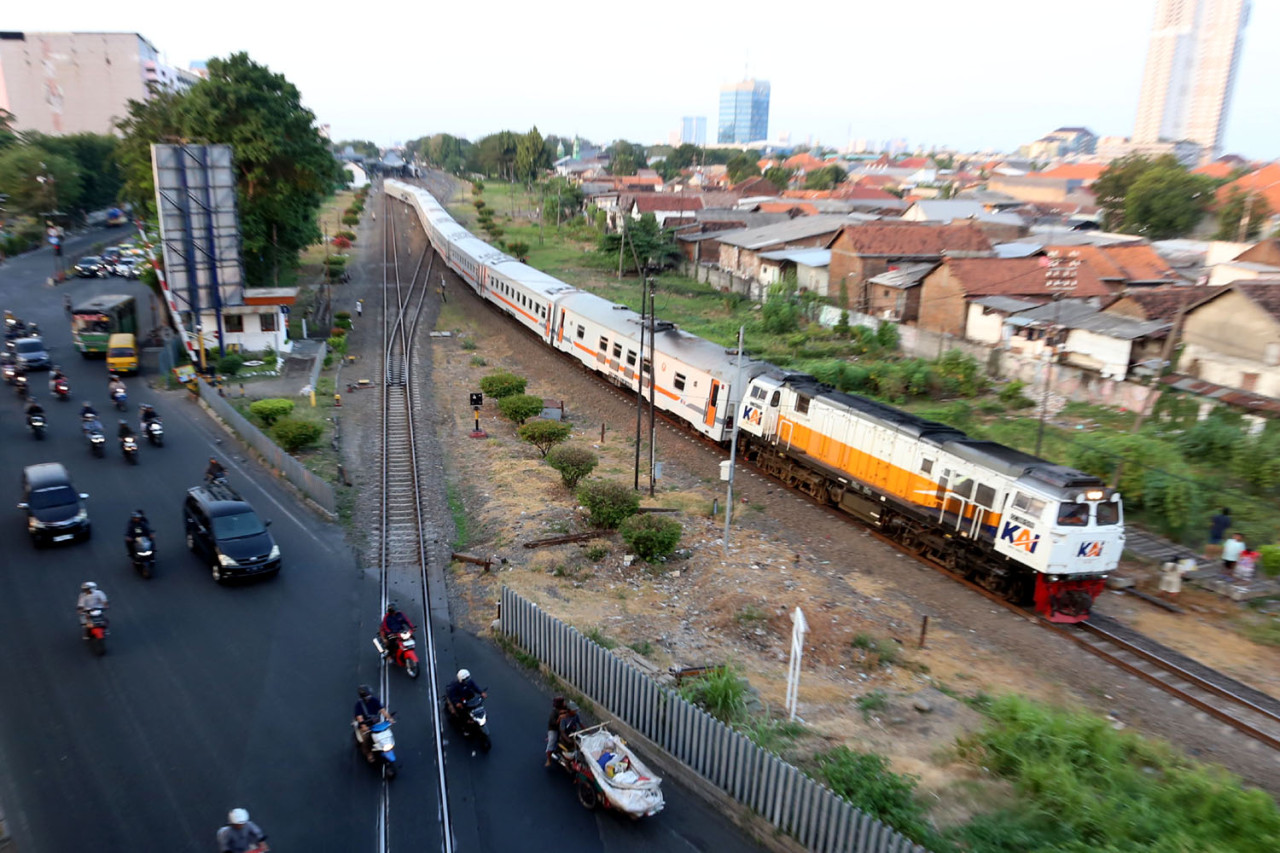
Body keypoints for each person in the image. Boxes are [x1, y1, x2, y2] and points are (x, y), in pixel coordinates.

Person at [353, 685, 392, 763]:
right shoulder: (359, 705)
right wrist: (364, 726)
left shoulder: (374, 700)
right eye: (367, 695)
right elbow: (360, 718)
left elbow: (382, 710)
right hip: (366, 726)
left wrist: (389, 718)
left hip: (375, 723)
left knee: (385, 731)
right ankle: (369, 753)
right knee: (366, 739)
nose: (369, 696)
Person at [545, 696, 566, 766]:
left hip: (562, 727)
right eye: (563, 702)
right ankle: (548, 759)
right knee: (552, 742)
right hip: (554, 729)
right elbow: (553, 724)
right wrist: (560, 718)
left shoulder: (563, 709)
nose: (564, 703)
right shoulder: (553, 714)